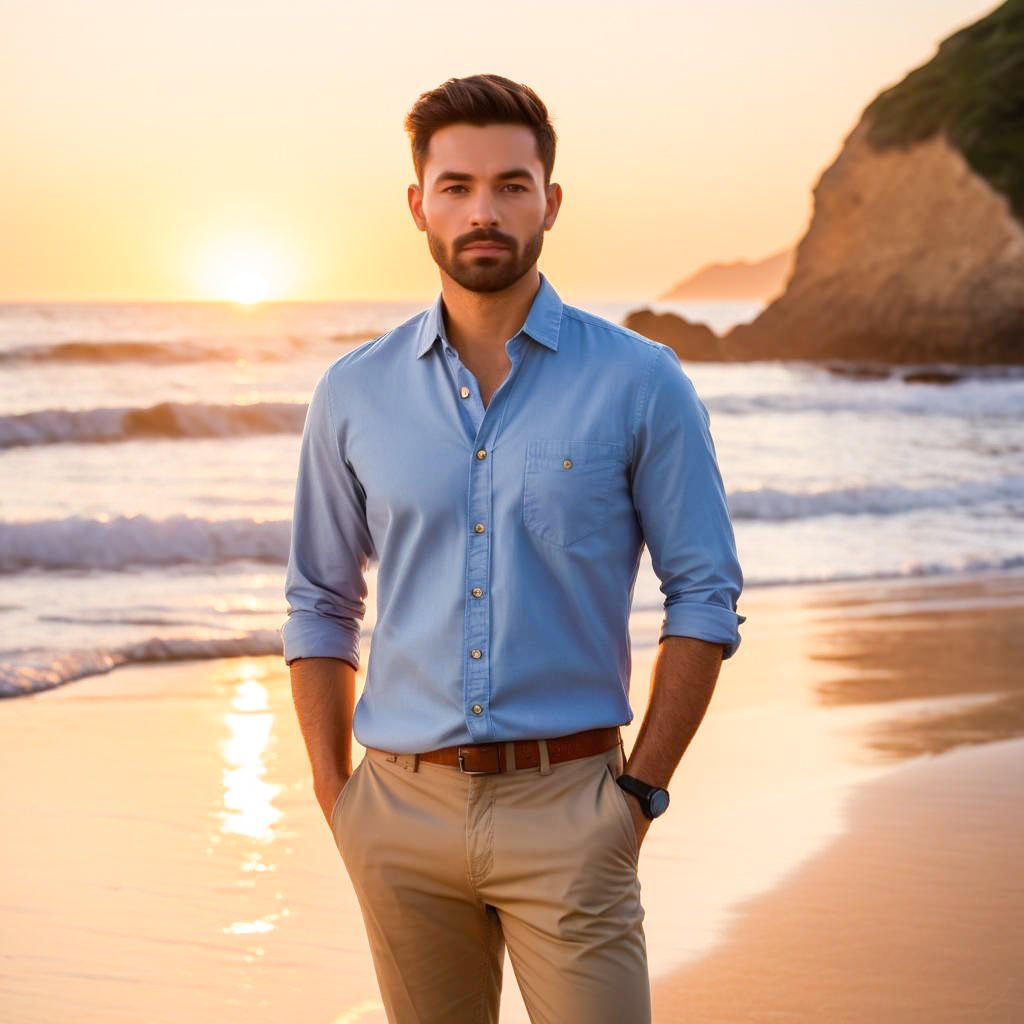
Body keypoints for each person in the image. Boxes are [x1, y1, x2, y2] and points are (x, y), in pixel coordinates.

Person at [282, 72, 746, 1024]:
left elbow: (703, 593)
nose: (482, 211)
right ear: (418, 205)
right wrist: (340, 800)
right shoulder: (351, 393)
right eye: (455, 186)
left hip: (574, 809)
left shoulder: (640, 380)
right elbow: (321, 602)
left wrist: (639, 794)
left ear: (551, 201)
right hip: (397, 818)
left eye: (510, 185)